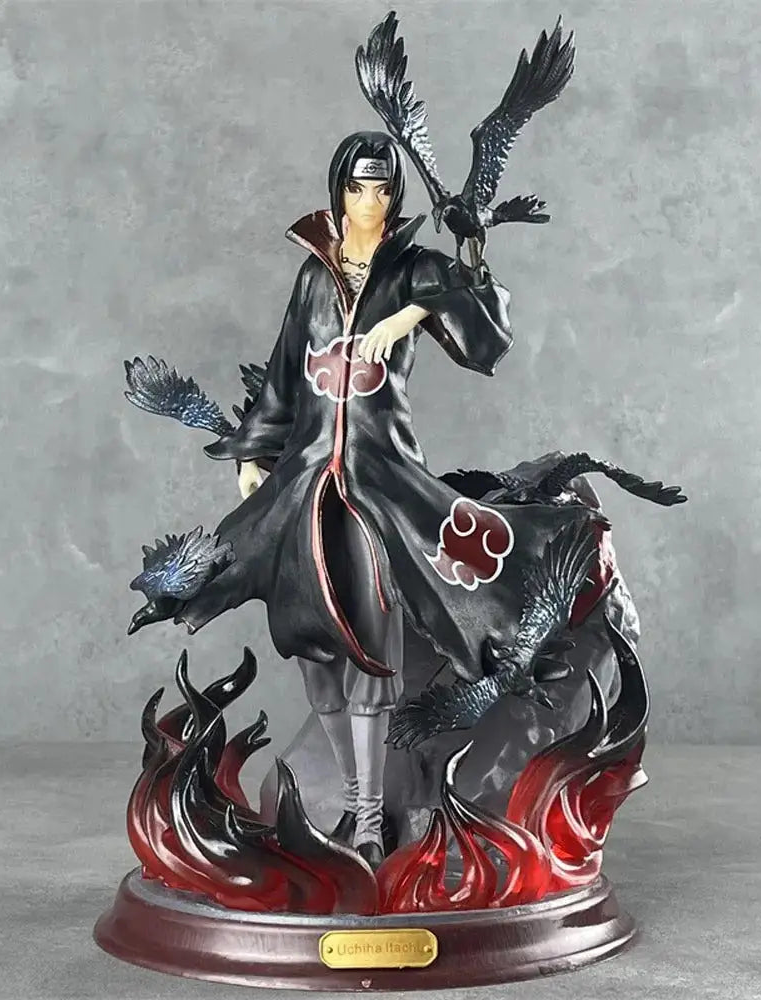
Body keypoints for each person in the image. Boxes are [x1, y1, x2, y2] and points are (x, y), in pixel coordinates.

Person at [138, 130, 598, 867]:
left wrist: (408, 313)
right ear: (338, 191)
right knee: (313, 649)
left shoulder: (414, 268)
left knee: (373, 651)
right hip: (304, 483)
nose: (370, 201)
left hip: (381, 484)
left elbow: (481, 329)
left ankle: (370, 820)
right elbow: (285, 373)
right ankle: (355, 800)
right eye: (357, 187)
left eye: (382, 188)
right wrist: (254, 454)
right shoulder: (313, 277)